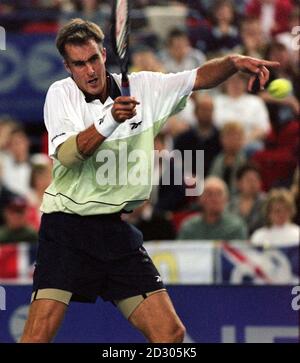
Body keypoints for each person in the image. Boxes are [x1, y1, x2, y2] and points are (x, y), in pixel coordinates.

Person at [20, 18, 278, 343]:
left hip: (114, 231)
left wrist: (233, 63)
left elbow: (197, 77)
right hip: (67, 229)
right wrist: (109, 121)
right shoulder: (61, 95)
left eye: (93, 60)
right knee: (37, 337)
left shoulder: (145, 87)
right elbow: (70, 156)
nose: (89, 71)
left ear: (103, 54)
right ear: (68, 67)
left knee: (170, 335)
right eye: (79, 64)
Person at [177, 176, 247, 241]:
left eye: (219, 194)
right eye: (209, 194)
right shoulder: (189, 227)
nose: (214, 199)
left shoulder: (235, 227)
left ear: (226, 199)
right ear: (200, 199)